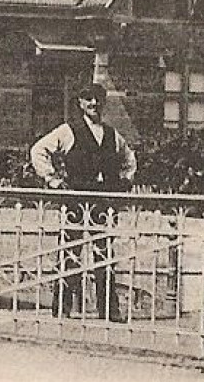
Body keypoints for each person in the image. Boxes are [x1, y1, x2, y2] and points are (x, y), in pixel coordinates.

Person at [30, 83, 136, 320]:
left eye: (98, 99)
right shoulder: (69, 131)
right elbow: (38, 151)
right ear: (80, 103)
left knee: (104, 253)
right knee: (70, 252)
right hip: (76, 199)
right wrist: (53, 180)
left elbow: (129, 159)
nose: (94, 104)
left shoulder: (112, 134)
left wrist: (124, 182)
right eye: (88, 99)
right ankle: (62, 308)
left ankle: (109, 310)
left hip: (103, 201)